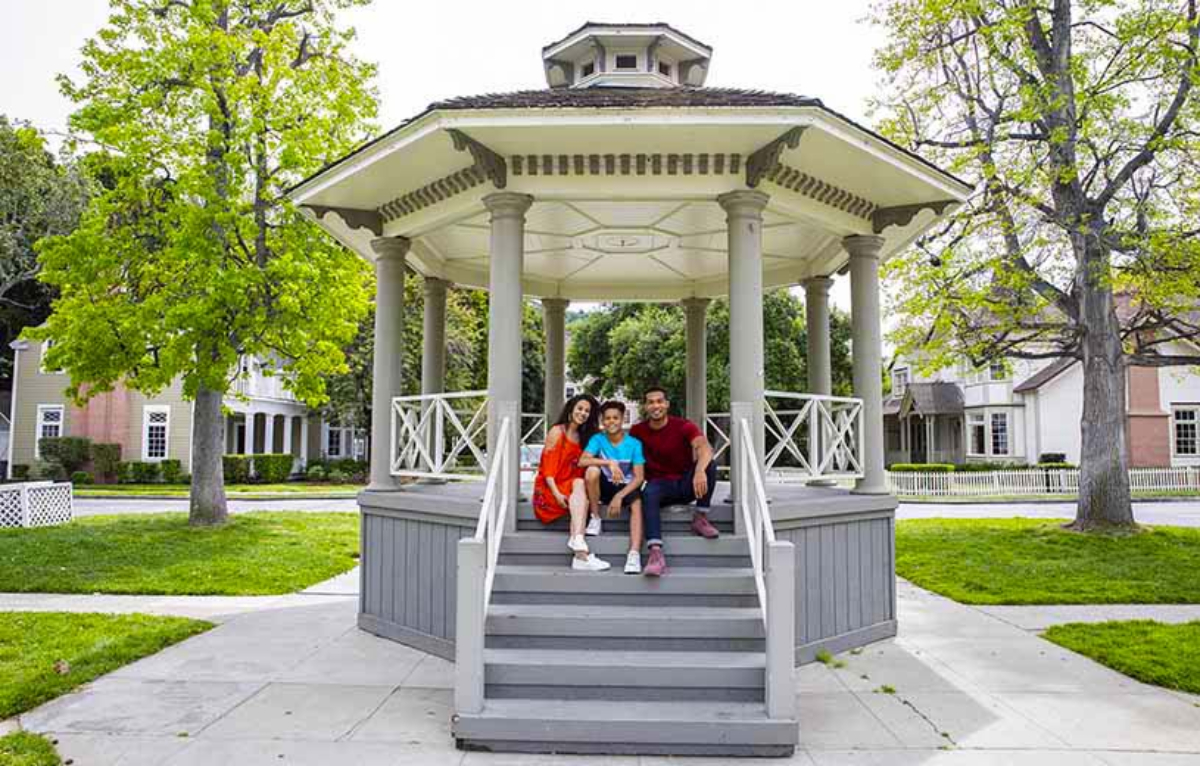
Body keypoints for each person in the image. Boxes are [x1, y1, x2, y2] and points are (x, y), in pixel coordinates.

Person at [630, 386, 718, 577]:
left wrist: (700, 470)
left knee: (710, 465)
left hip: (686, 483)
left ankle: (701, 517)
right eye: (651, 402)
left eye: (659, 401)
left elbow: (704, 448)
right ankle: (655, 554)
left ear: (667, 404)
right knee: (649, 491)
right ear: (645, 406)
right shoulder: (637, 431)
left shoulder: (683, 425)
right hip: (659, 487)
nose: (656, 406)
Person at [532, 393, 609, 571]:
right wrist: (557, 493)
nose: (583, 413)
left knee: (580, 483)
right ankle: (580, 551)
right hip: (550, 489)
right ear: (571, 409)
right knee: (580, 489)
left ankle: (579, 544)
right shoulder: (557, 431)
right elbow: (547, 469)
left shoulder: (586, 437)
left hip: (572, 487)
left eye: (587, 411)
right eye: (580, 409)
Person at [579, 400, 645, 575]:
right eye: (607, 418)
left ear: (623, 419)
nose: (611, 422)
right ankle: (595, 518)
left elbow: (639, 477)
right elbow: (582, 461)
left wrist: (620, 496)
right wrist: (609, 462)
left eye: (615, 418)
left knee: (637, 503)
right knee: (592, 471)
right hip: (606, 486)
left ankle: (634, 554)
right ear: (602, 420)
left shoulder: (634, 444)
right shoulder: (598, 439)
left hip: (626, 487)